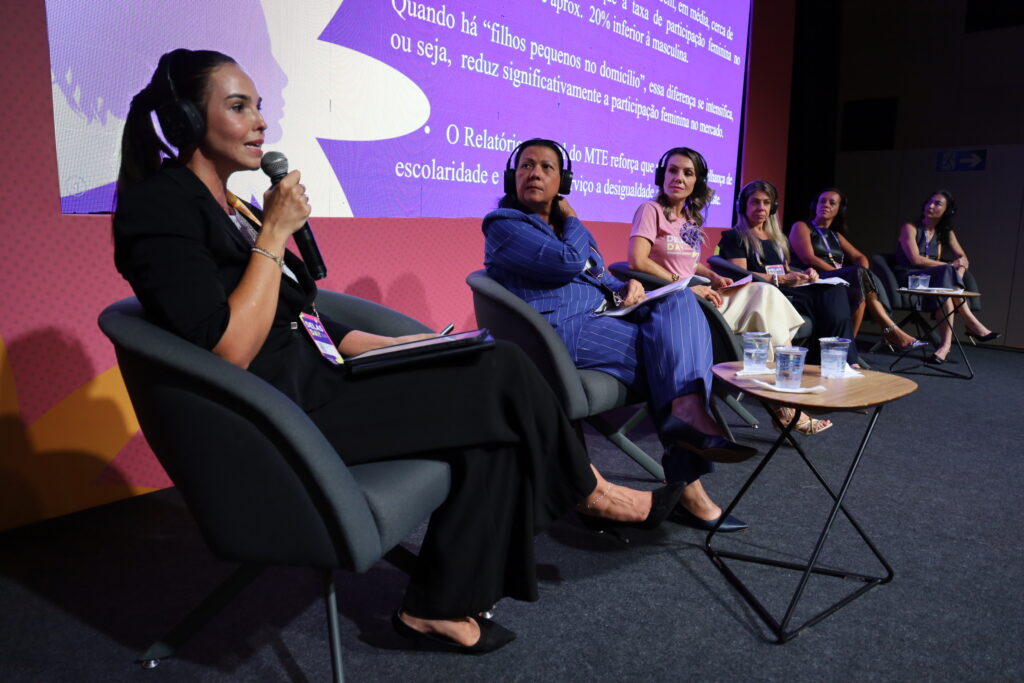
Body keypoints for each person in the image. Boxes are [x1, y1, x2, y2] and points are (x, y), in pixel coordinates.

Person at [112, 49, 685, 655]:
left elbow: (302, 319)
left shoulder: (233, 207)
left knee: (491, 409)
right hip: (283, 415)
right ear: (184, 119)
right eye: (238, 107)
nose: (261, 121)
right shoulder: (161, 207)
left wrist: (405, 345)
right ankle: (590, 492)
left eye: (258, 105)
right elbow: (228, 348)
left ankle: (436, 607)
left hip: (322, 380)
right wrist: (275, 235)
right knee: (505, 370)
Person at [482, 138, 757, 534]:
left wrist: (624, 287)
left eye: (546, 167)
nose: (534, 174)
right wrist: (571, 217)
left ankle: (689, 416)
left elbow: (597, 274)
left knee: (680, 300)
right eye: (526, 166)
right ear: (513, 176)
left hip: (606, 315)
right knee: (673, 359)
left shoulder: (566, 229)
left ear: (562, 181)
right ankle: (689, 478)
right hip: (562, 330)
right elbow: (566, 263)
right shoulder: (504, 224)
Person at [625, 148, 827, 435]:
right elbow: (637, 260)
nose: (678, 178)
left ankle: (784, 399)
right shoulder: (650, 210)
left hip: (698, 295)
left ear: (697, 182)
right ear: (661, 175)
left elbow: (689, 263)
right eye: (672, 170)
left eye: (687, 173)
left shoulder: (688, 219)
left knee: (765, 294)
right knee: (765, 298)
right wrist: (687, 285)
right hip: (674, 304)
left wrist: (712, 276)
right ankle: (785, 401)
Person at [717, 181, 861, 367]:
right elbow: (740, 275)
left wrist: (805, 274)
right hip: (765, 294)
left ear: (773, 207)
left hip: (786, 288)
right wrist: (780, 279)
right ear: (744, 205)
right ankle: (843, 361)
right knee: (827, 298)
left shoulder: (777, 239)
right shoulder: (735, 237)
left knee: (835, 289)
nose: (761, 208)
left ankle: (837, 359)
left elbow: (785, 269)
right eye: (755, 202)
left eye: (766, 203)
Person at [789, 188, 925, 352]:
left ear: (839, 209)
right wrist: (843, 274)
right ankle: (889, 329)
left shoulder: (835, 235)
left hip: (836, 279)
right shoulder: (801, 227)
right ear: (815, 205)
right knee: (858, 278)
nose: (826, 205)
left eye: (832, 203)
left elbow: (860, 257)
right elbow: (808, 258)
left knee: (860, 289)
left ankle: (846, 348)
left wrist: (861, 273)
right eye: (822, 201)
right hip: (813, 278)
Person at [895, 190, 999, 364]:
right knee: (946, 272)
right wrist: (950, 268)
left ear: (947, 211)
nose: (931, 206)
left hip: (936, 280)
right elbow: (915, 259)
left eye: (937, 204)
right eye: (929, 202)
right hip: (911, 277)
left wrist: (957, 273)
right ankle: (970, 323)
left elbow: (963, 259)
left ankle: (945, 346)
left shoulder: (946, 233)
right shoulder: (910, 228)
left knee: (947, 290)